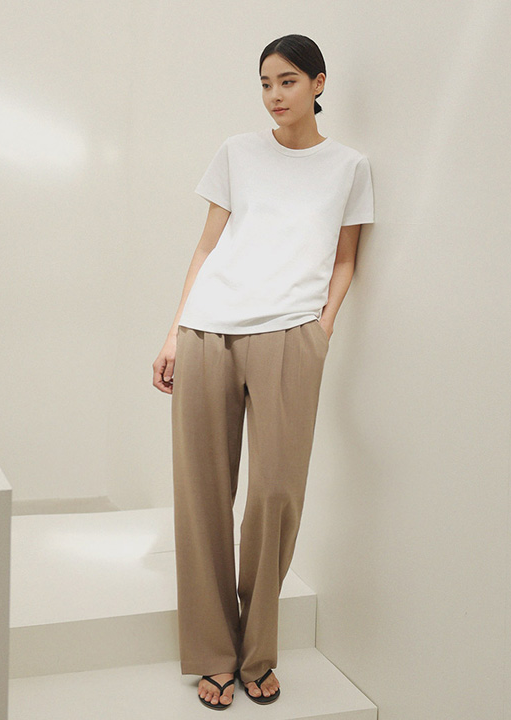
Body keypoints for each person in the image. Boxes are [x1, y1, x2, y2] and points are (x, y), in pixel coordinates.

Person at [152, 33, 374, 710]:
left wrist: (320, 330)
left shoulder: (349, 167)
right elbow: (206, 246)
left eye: (288, 81)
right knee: (201, 495)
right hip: (208, 329)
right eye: (266, 84)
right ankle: (213, 653)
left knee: (275, 495)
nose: (275, 95)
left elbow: (345, 258)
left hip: (290, 336)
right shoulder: (237, 152)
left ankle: (257, 651)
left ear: (318, 83)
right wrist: (174, 330)